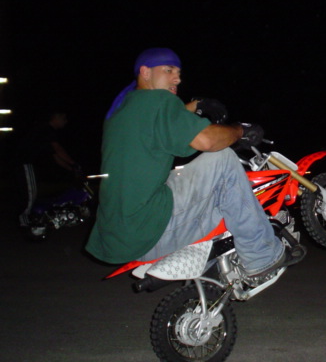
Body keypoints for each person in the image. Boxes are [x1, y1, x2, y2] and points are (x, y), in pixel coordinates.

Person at [85, 48, 301, 281]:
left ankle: (223, 259)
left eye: (179, 73)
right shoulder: (159, 101)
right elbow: (207, 140)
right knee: (222, 159)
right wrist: (240, 131)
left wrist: (197, 105)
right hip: (148, 231)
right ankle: (262, 256)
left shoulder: (125, 110)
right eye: (169, 70)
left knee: (184, 180)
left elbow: (165, 117)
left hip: (118, 236)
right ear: (145, 72)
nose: (177, 79)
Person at [17, 110, 80, 228]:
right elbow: (58, 149)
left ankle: (27, 219)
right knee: (30, 192)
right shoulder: (46, 130)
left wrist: (70, 168)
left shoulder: (46, 131)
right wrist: (73, 163)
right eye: (64, 118)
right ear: (56, 118)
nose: (66, 122)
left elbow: (55, 156)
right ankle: (26, 222)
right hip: (25, 163)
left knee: (33, 192)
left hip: (30, 164)